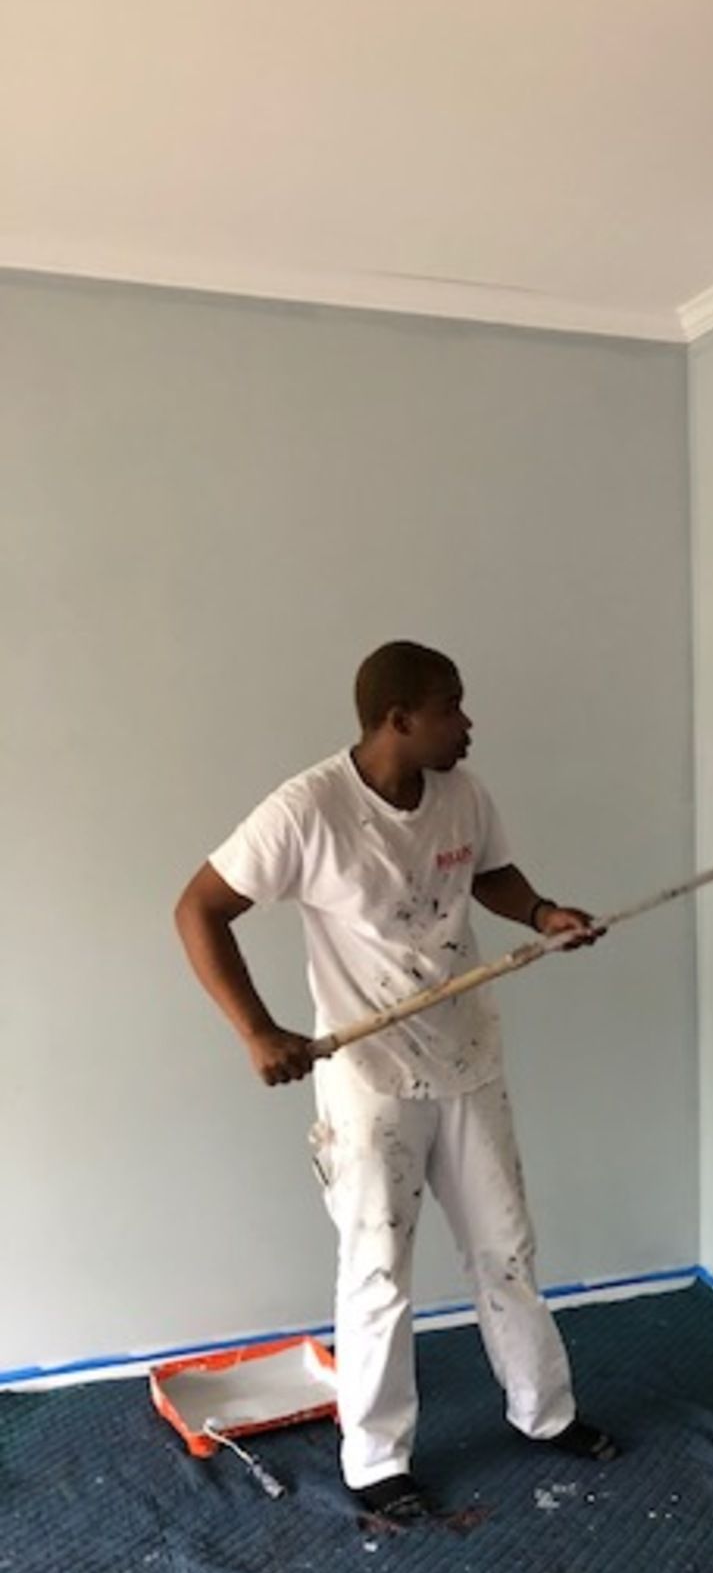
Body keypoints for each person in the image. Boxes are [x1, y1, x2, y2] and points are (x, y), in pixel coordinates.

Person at [174, 640, 617, 1524]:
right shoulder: (309, 810)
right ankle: (376, 1461)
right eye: (452, 707)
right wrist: (257, 1032)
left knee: (508, 1251)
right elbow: (199, 909)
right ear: (398, 720)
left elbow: (488, 870)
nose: (468, 724)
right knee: (378, 1268)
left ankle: (545, 1413)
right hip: (368, 1079)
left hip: (468, 1058)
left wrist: (540, 913)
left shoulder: (463, 793)